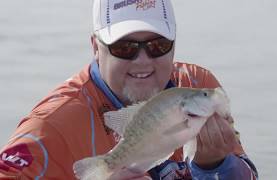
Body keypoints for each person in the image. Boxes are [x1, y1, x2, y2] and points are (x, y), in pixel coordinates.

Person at [0, 0, 258, 179]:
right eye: (124, 48)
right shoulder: (50, 126)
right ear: (95, 47)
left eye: (158, 45)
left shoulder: (196, 84)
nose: (143, 61)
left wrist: (215, 165)